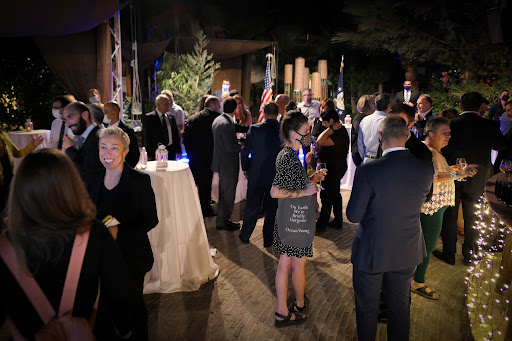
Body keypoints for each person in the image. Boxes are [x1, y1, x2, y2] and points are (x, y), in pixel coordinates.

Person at [0, 148, 136, 340]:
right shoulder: (94, 233)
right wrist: (125, 329)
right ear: (71, 185)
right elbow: (121, 293)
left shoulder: (5, 246)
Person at [347, 115, 434, 341]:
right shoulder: (425, 169)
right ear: (407, 136)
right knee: (400, 308)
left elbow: (353, 215)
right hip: (406, 248)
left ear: (379, 137)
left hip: (372, 250)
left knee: (367, 309)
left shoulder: (368, 171)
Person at [85, 127, 158, 341]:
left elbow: (151, 219)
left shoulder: (139, 181)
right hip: (99, 257)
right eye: (103, 147)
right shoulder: (92, 178)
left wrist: (119, 231)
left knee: (133, 303)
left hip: (131, 255)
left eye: (114, 148)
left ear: (125, 151)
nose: (107, 153)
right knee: (105, 302)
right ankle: (124, 332)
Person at [436, 92, 506, 266]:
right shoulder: (489, 125)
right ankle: (470, 254)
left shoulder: (451, 124)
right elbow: (502, 145)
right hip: (478, 175)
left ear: (461, 106)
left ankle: (449, 253)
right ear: (479, 107)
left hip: (453, 173)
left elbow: (442, 148)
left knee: (450, 215)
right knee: (472, 214)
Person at [411, 117, 476, 300]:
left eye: (449, 132)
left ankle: (415, 277)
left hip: (437, 204)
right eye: (444, 133)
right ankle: (417, 281)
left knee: (426, 243)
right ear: (431, 134)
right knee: (428, 243)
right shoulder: (428, 151)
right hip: (432, 206)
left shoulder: (434, 151)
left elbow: (440, 172)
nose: (448, 136)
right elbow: (436, 176)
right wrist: (457, 173)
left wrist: (453, 169)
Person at [270, 110, 323, 327]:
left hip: (290, 219)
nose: (309, 135)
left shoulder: (288, 155)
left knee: (286, 264)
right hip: (294, 221)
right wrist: (306, 191)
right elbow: (275, 191)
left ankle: (286, 308)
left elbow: (293, 184)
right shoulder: (288, 158)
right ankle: (293, 307)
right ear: (294, 134)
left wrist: (311, 179)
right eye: (306, 131)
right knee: (295, 265)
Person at [239, 102, 281, 247]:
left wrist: (246, 168)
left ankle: (245, 235)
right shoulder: (283, 131)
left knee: (252, 206)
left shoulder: (254, 129)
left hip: (256, 173)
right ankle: (268, 240)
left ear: (263, 112)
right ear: (278, 113)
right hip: (275, 175)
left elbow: (245, 151)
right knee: (272, 208)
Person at [183, 96, 221, 217]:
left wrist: (191, 154)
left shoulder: (193, 118)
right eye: (218, 105)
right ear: (213, 105)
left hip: (194, 157)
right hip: (209, 157)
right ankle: (205, 209)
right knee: (206, 185)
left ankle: (189, 206)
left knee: (193, 183)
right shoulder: (217, 119)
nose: (220, 108)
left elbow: (186, 139)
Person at [315, 109, 349, 231]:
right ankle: (337, 220)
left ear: (331, 121)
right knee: (334, 194)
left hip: (335, 168)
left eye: (324, 122)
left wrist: (332, 128)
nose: (323, 125)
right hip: (333, 167)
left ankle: (322, 223)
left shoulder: (339, 132)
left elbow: (320, 141)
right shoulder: (336, 131)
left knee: (327, 195)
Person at [212, 97, 241, 231]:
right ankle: (224, 222)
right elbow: (231, 147)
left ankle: (222, 220)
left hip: (221, 161)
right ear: (236, 109)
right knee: (228, 194)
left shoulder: (218, 120)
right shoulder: (227, 124)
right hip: (228, 163)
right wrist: (243, 146)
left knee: (224, 193)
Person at [0, 128, 43, 212]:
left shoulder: (4, 135)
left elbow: (18, 153)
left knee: (9, 205)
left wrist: (33, 145)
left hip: (9, 175)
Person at [62, 101, 103, 180]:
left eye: (70, 117)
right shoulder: (84, 137)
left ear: (85, 115)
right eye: (65, 120)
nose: (67, 124)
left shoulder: (98, 138)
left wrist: (70, 149)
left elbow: (85, 174)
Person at [103, 101, 140, 169]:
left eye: (105, 112)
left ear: (114, 113)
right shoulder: (103, 130)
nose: (103, 115)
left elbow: (134, 156)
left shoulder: (127, 132)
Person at [143, 94, 180, 161]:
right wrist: (150, 154)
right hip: (157, 152)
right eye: (166, 104)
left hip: (171, 151)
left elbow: (175, 135)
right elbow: (147, 137)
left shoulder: (171, 117)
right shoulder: (149, 118)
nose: (168, 106)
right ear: (158, 105)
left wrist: (178, 150)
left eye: (169, 104)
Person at [357, 92, 391, 163]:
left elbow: (360, 144)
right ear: (389, 105)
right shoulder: (388, 121)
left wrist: (364, 157)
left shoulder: (365, 120)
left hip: (367, 159)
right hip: (382, 161)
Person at [352, 94, 376, 166]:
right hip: (359, 153)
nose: (375, 105)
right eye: (373, 103)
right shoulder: (359, 118)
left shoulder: (370, 117)